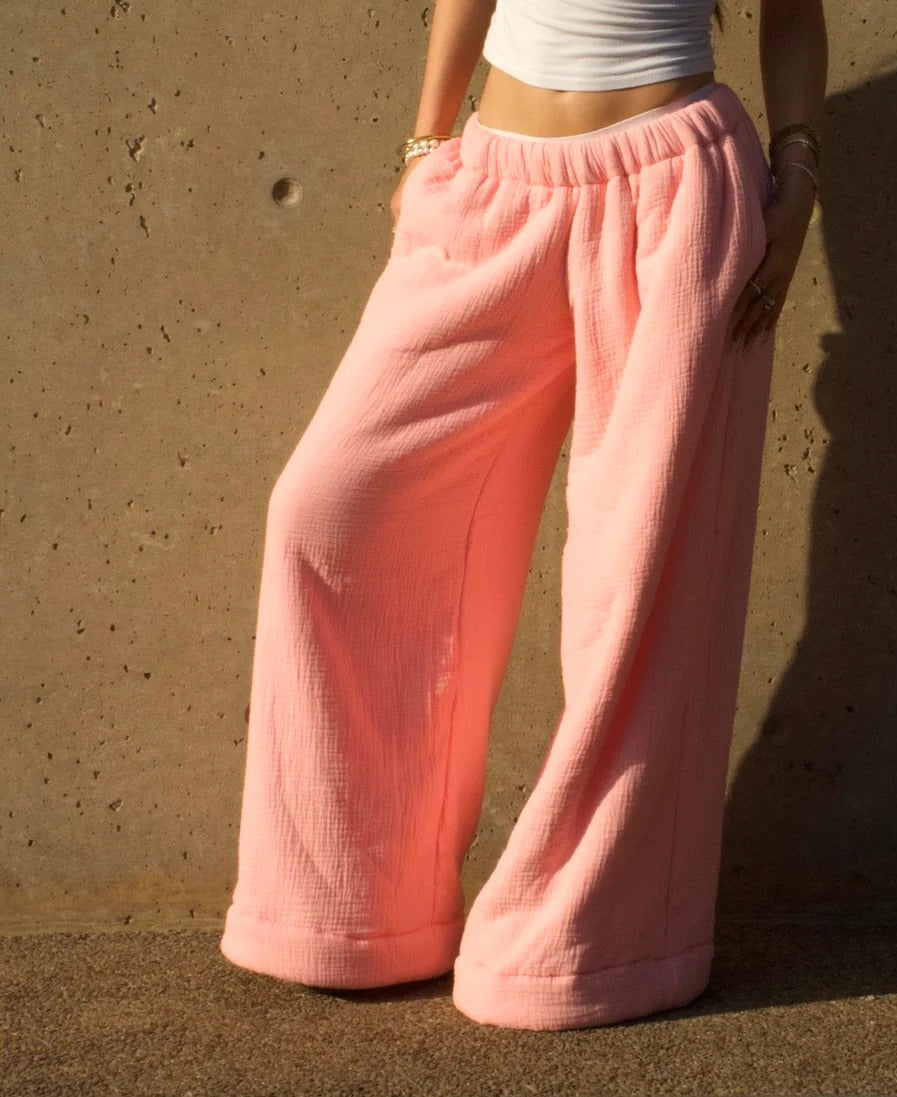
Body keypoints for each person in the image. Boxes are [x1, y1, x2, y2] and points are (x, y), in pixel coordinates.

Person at [219, 0, 828, 1032]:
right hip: (492, 184)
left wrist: (797, 176)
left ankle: (587, 942)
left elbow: (793, 12)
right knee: (326, 513)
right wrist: (427, 144)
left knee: (639, 577)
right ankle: (353, 906)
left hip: (676, 193)